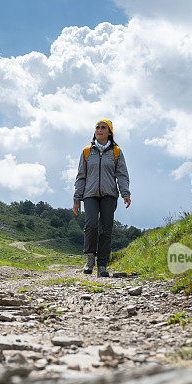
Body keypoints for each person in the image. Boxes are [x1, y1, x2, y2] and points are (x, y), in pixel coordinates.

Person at [73, 119, 131, 277]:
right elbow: (81, 176)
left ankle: (102, 266)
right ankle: (90, 258)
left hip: (109, 195)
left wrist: (125, 193)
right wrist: (77, 198)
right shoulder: (86, 151)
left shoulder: (116, 151)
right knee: (91, 225)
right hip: (89, 195)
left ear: (109, 132)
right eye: (97, 127)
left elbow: (122, 174)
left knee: (106, 229)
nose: (99, 130)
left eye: (103, 127)